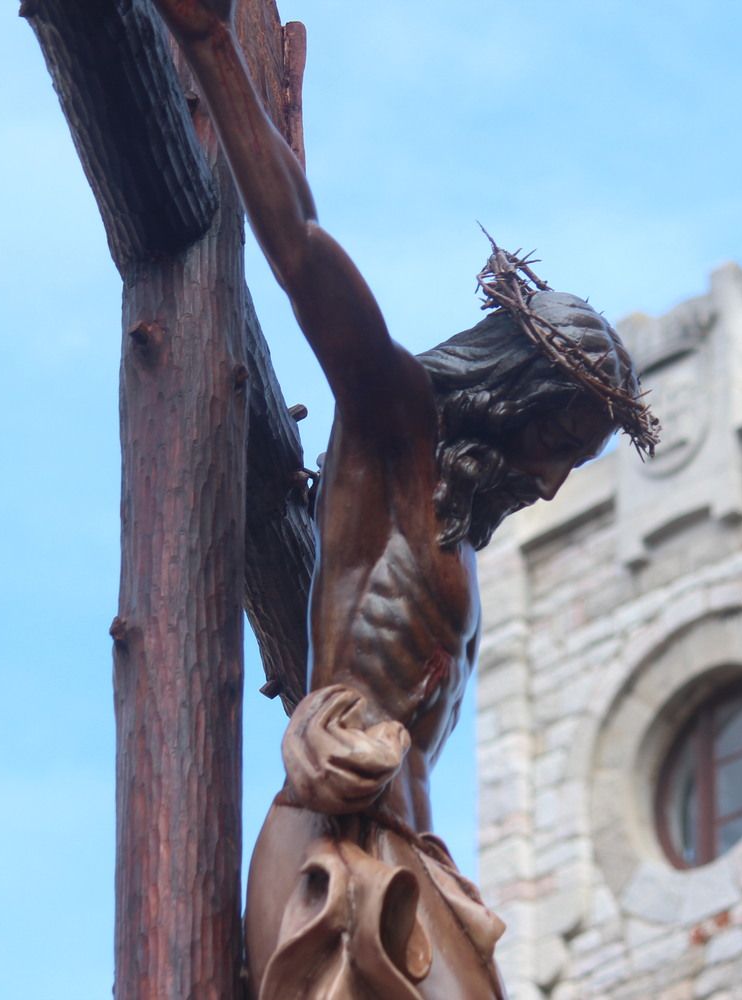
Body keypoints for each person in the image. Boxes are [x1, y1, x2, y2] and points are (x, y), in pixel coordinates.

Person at [149, 2, 658, 996]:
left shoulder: (460, 531)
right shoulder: (395, 430)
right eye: (554, 442)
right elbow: (298, 250)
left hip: (416, 860)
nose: (548, 480)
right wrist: (212, 48)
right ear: (512, 393)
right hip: (335, 852)